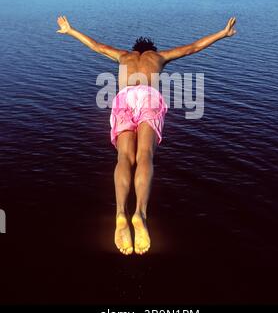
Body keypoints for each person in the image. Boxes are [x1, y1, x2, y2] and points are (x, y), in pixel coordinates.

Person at [57, 15, 237, 255]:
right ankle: (140, 213)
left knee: (123, 158)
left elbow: (96, 46)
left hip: (124, 99)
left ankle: (120, 212)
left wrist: (71, 30)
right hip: (149, 98)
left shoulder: (123, 56)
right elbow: (192, 47)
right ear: (152, 50)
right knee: (145, 157)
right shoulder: (158, 57)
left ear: (134, 51)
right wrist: (221, 33)